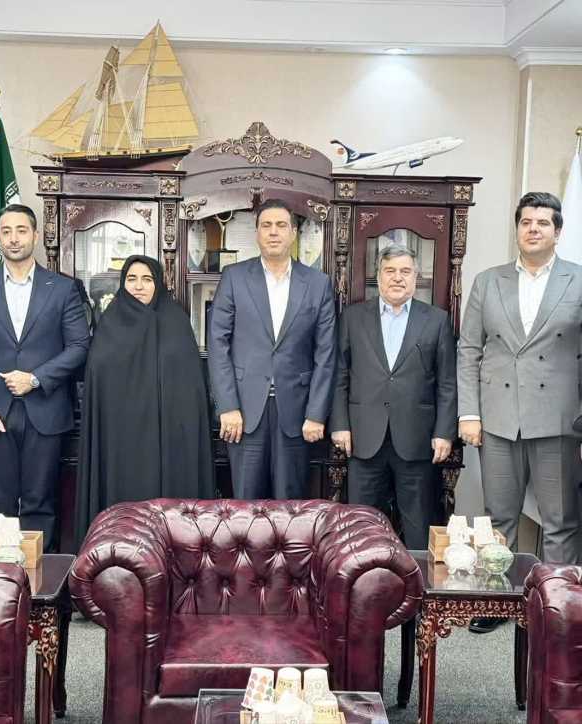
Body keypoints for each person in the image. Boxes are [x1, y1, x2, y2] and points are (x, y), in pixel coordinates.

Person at [458, 192, 582, 631]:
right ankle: (497, 602)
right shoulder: (488, 281)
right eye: (526, 222)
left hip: (559, 420)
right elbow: (469, 349)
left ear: (557, 232)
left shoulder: (577, 280)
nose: (533, 229)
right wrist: (469, 413)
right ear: (517, 229)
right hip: (498, 419)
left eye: (543, 223)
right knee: (498, 518)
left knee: (560, 521)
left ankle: (558, 606)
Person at [0, 204, 90, 550]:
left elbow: (79, 346)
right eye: (6, 231)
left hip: (45, 411)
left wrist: (35, 378)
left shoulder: (63, 288)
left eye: (21, 230)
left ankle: (37, 583)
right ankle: (2, 580)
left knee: (40, 505)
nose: (13, 238)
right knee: (0, 508)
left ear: (35, 235)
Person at [75, 255, 214, 545]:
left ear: (159, 283)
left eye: (147, 279)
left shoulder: (176, 321)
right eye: (132, 279)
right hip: (117, 444)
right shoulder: (109, 324)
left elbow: (191, 388)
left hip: (168, 443)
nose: (139, 286)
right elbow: (98, 382)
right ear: (122, 283)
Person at [208, 198, 337, 499]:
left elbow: (326, 353)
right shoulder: (234, 277)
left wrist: (317, 413)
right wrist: (227, 406)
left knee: (289, 507)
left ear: (293, 233)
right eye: (266, 225)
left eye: (281, 225)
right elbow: (217, 343)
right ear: (257, 233)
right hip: (244, 412)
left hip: (297, 413)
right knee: (246, 506)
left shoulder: (317, 283)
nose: (273, 232)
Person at [330, 244, 457, 549]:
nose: (397, 278)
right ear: (378, 276)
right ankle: (363, 578)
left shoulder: (436, 320)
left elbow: (447, 383)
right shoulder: (353, 317)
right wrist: (340, 424)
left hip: (416, 440)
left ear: (416, 277)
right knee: (361, 527)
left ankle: (417, 580)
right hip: (363, 438)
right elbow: (339, 375)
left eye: (405, 271)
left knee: (418, 527)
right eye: (390, 271)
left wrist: (444, 432)